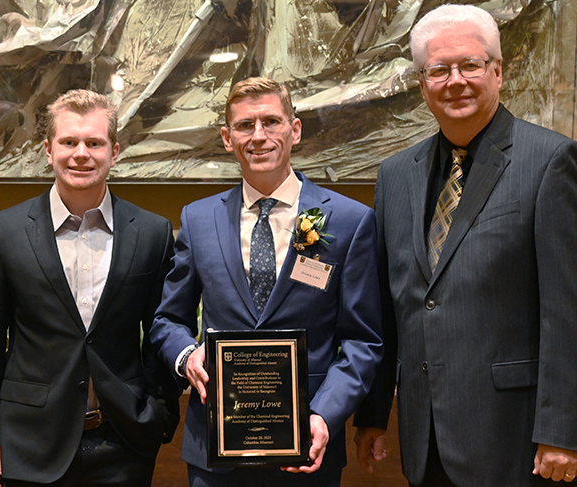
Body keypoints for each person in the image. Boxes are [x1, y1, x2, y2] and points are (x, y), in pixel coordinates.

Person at [353, 4, 577, 486]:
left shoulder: (550, 162)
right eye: (438, 69)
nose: (455, 80)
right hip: (425, 437)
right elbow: (391, 305)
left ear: (497, 71)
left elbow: (566, 310)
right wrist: (373, 413)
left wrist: (563, 430)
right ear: (421, 82)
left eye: (470, 65)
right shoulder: (395, 176)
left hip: (515, 440)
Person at [149, 77, 383, 487]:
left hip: (309, 443)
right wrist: (188, 357)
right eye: (244, 125)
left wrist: (325, 415)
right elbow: (168, 320)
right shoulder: (197, 220)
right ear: (227, 137)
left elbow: (362, 341)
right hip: (215, 450)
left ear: (294, 130)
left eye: (271, 122)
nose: (259, 136)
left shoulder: (348, 220)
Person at [0, 89, 182, 487]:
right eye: (68, 142)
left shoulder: (152, 234)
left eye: (94, 143)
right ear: (48, 149)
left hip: (124, 443)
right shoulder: (4, 232)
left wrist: (159, 416)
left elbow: (161, 333)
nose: (80, 153)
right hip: (30, 442)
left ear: (114, 152)